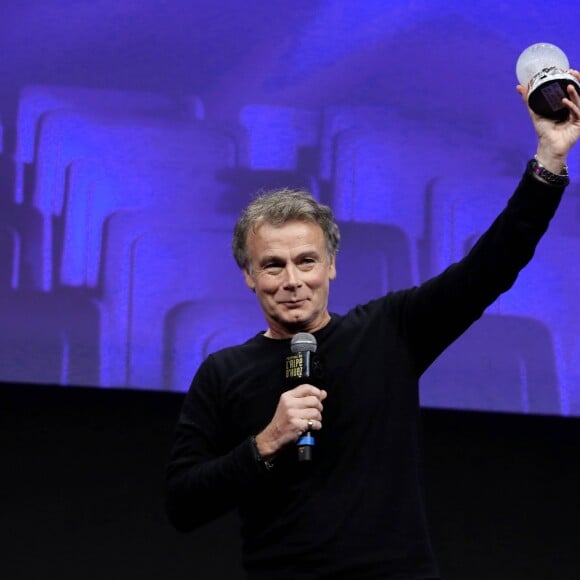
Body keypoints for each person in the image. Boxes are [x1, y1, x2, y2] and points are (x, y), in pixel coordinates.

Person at [165, 72, 580, 579]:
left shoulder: (388, 331)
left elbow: (491, 266)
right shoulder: (222, 372)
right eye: (273, 265)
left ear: (332, 265)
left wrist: (550, 160)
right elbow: (183, 503)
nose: (292, 280)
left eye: (306, 261)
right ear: (249, 276)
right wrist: (266, 442)